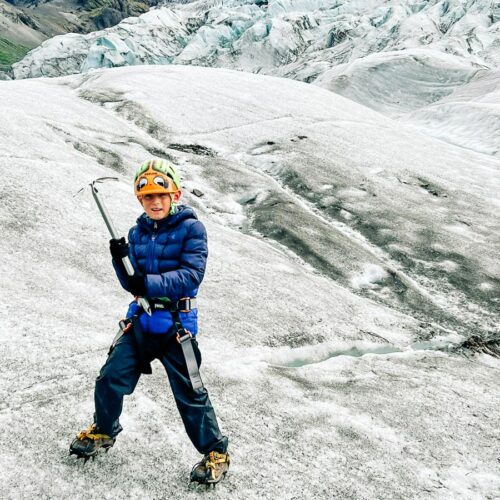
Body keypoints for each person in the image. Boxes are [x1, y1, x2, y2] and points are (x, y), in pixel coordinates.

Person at [70, 159, 230, 485]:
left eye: (162, 194)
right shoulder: (136, 233)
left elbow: (190, 275)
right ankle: (104, 430)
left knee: (190, 392)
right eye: (148, 197)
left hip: (176, 325)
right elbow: (132, 283)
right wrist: (121, 259)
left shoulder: (192, 229)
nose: (155, 202)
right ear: (140, 200)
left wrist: (149, 283)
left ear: (176, 195)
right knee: (110, 377)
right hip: (141, 321)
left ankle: (216, 452)